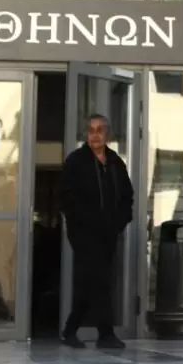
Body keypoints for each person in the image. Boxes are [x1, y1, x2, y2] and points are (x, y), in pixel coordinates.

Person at [60, 114, 133, 349]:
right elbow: (67, 198)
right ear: (86, 134)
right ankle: (105, 334)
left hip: (108, 234)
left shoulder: (115, 163)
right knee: (98, 280)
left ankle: (71, 330)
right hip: (84, 234)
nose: (95, 135)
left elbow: (127, 196)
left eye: (100, 130)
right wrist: (82, 223)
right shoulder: (76, 161)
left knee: (93, 282)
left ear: (107, 134)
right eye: (91, 130)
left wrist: (119, 222)